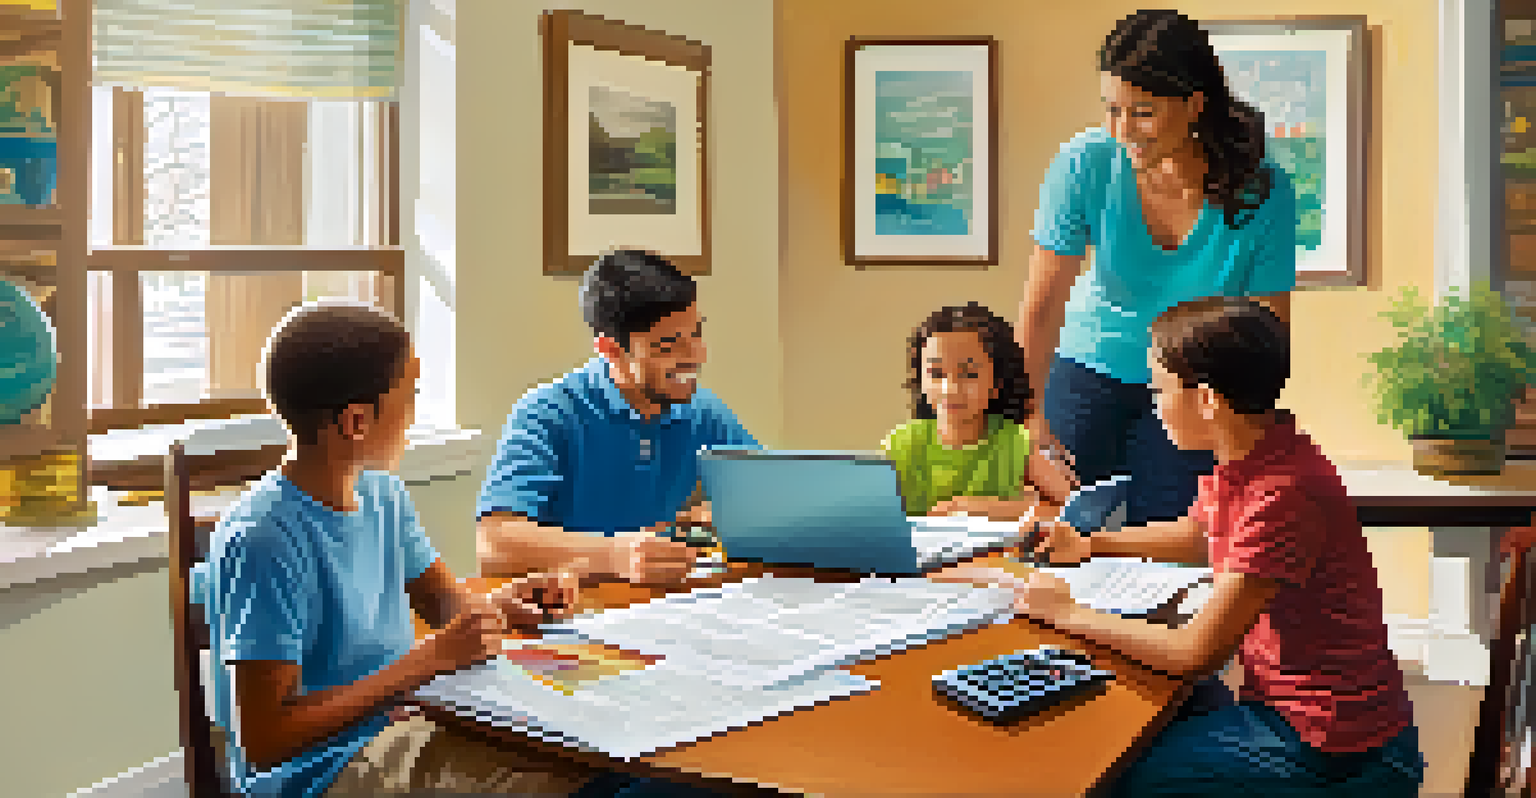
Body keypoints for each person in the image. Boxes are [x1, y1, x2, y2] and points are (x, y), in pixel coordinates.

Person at [943, 297, 1425, 797]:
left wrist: (1065, 612)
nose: (1154, 405)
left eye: (1160, 389)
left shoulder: (1282, 495)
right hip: (1308, 721)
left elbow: (1193, 652)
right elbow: (1200, 534)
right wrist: (1091, 544)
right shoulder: (1257, 453)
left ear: (1208, 400)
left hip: (1336, 754)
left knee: (1106, 775)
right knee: (1136, 709)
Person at [195, 301, 596, 797]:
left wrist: (501, 607)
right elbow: (265, 738)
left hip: (405, 727)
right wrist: (422, 664)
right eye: (409, 397)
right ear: (356, 422)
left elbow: (443, 603)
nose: (413, 415)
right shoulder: (264, 539)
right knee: (558, 785)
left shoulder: (383, 495)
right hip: (317, 774)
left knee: (591, 760)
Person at [1019, 9, 1298, 529]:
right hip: (1087, 373)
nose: (1123, 130)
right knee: (1062, 535)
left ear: (1194, 105)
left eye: (1142, 112)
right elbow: (1042, 304)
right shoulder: (1085, 164)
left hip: (1195, 389)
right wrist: (1028, 419)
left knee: (1176, 547)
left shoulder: (1262, 190)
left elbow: (1265, 331)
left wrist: (1247, 436)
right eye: (1112, 110)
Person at [476, 249, 760, 583]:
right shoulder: (547, 413)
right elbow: (494, 544)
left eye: (696, 334)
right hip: (571, 613)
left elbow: (768, 492)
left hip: (660, 605)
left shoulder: (703, 409)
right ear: (610, 350)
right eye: (667, 345)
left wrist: (727, 514)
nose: (695, 356)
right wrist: (614, 555)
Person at [882, 302, 1077, 520]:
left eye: (969, 374)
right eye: (936, 373)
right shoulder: (901, 445)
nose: (951, 389)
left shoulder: (1015, 443)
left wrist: (977, 507)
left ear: (997, 383)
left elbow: (1074, 510)